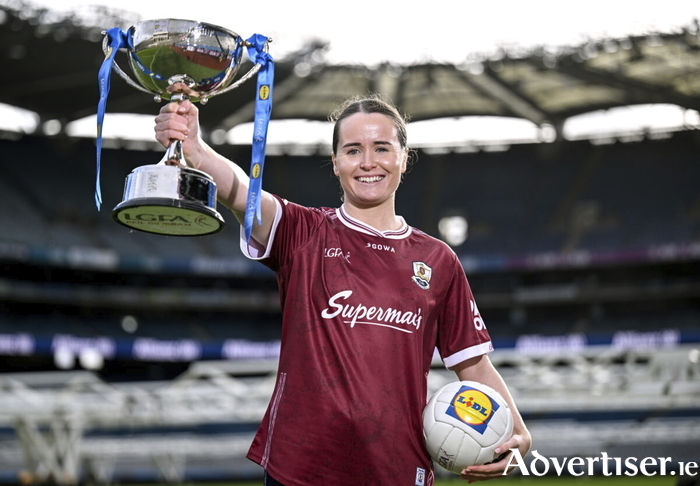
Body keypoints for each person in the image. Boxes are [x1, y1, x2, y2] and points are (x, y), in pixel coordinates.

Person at [154, 93, 531, 485]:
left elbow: (472, 365)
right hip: (299, 468)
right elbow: (241, 194)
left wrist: (519, 432)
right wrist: (195, 149)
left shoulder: (438, 260)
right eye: (353, 150)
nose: (368, 162)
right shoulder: (303, 233)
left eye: (381, 148)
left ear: (404, 157)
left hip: (396, 470)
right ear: (335, 163)